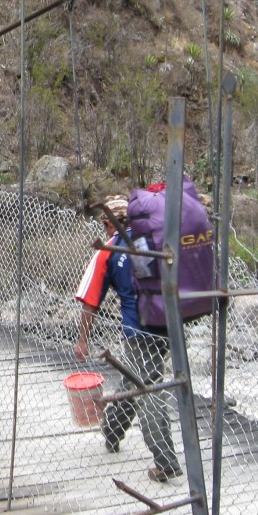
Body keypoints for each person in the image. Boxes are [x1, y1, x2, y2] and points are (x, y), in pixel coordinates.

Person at [74, 195, 182, 483]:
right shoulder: (159, 240)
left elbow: (90, 301)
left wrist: (83, 339)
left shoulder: (110, 249)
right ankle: (112, 428)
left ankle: (165, 460)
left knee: (148, 388)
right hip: (171, 326)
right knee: (137, 377)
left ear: (110, 223)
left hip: (138, 332)